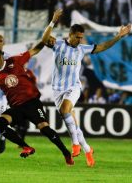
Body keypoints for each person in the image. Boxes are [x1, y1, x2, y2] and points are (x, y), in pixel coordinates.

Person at [0, 9, 74, 165]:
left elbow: (37, 48)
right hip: (16, 108)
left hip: (32, 102)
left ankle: (66, 153)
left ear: (0, 56)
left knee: (44, 128)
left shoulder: (16, 60)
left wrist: (52, 22)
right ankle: (26, 147)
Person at [42, 14, 131, 167]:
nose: (80, 40)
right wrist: (53, 21)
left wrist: (118, 37)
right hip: (58, 90)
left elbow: (102, 47)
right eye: (77, 37)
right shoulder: (58, 45)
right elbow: (44, 40)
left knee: (65, 111)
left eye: (81, 37)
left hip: (74, 87)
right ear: (70, 35)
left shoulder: (82, 49)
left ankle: (75, 144)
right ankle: (88, 149)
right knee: (72, 123)